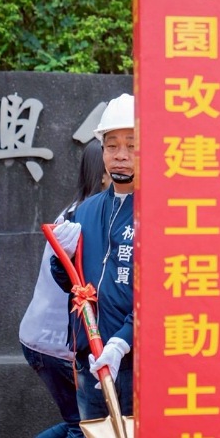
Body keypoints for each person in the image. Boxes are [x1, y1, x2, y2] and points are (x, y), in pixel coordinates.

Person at [50, 93, 134, 421]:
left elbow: (161, 295)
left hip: (139, 363)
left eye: (132, 145)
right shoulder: (86, 210)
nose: (121, 156)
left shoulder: (162, 212)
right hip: (90, 361)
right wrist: (62, 258)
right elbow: (69, 282)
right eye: (112, 146)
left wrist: (122, 343)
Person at [19, 139, 109, 438]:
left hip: (43, 338)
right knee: (85, 426)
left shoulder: (76, 211)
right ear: (103, 172)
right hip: (58, 346)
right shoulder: (87, 219)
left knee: (86, 423)